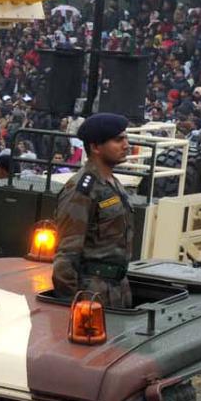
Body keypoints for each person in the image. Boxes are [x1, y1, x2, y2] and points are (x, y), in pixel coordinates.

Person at [51, 112, 136, 307]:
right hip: (92, 295)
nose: (126, 145)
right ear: (96, 147)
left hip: (117, 290)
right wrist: (71, 306)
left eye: (126, 138)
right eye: (118, 140)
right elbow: (66, 256)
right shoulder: (82, 190)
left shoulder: (113, 184)